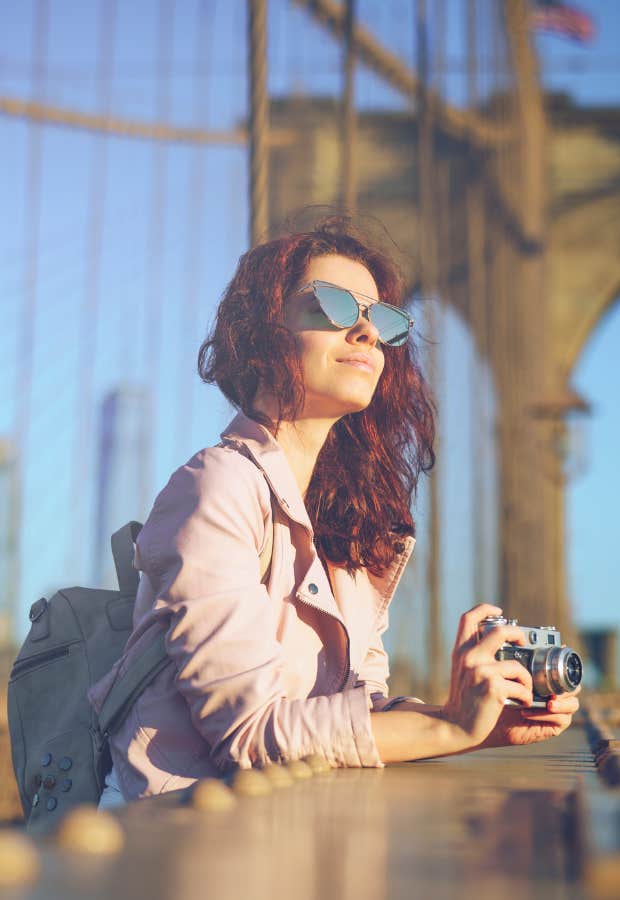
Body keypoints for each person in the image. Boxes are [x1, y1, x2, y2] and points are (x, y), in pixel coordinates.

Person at [90, 216, 579, 806]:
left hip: (287, 830)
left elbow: (354, 714)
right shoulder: (215, 487)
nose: (367, 334)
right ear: (262, 330)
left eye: (381, 320)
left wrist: (478, 723)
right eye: (335, 306)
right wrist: (448, 724)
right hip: (177, 840)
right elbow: (247, 734)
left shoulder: (349, 524)